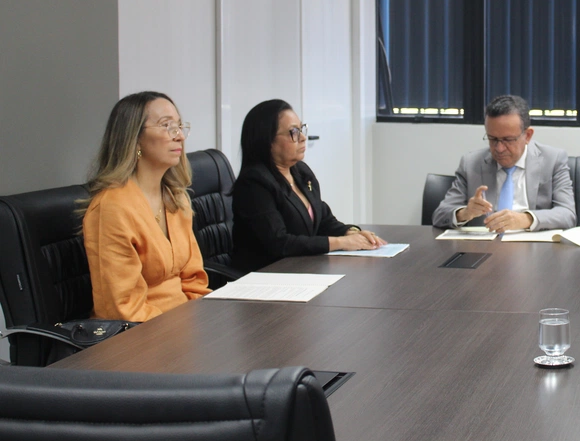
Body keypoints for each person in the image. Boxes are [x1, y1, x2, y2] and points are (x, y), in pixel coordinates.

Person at [82, 91, 210, 322]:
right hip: (140, 337)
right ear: (135, 138)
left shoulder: (176, 198)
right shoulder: (113, 207)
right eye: (166, 125)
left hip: (183, 325)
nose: (179, 135)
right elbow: (121, 309)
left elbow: (194, 282)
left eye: (179, 126)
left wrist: (202, 323)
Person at [230, 99, 384, 272]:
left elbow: (323, 219)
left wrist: (351, 232)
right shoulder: (254, 184)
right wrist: (341, 242)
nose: (303, 138)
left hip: (302, 270)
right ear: (268, 140)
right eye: (293, 132)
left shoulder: (300, 172)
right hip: (266, 277)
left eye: (301, 129)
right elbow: (279, 242)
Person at [431, 94, 576, 232]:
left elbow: (567, 214)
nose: (499, 148)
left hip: (535, 247)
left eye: (508, 140)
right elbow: (440, 216)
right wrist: (464, 213)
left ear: (528, 135)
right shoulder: (471, 163)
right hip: (486, 249)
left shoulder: (553, 159)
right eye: (492, 139)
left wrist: (525, 219)